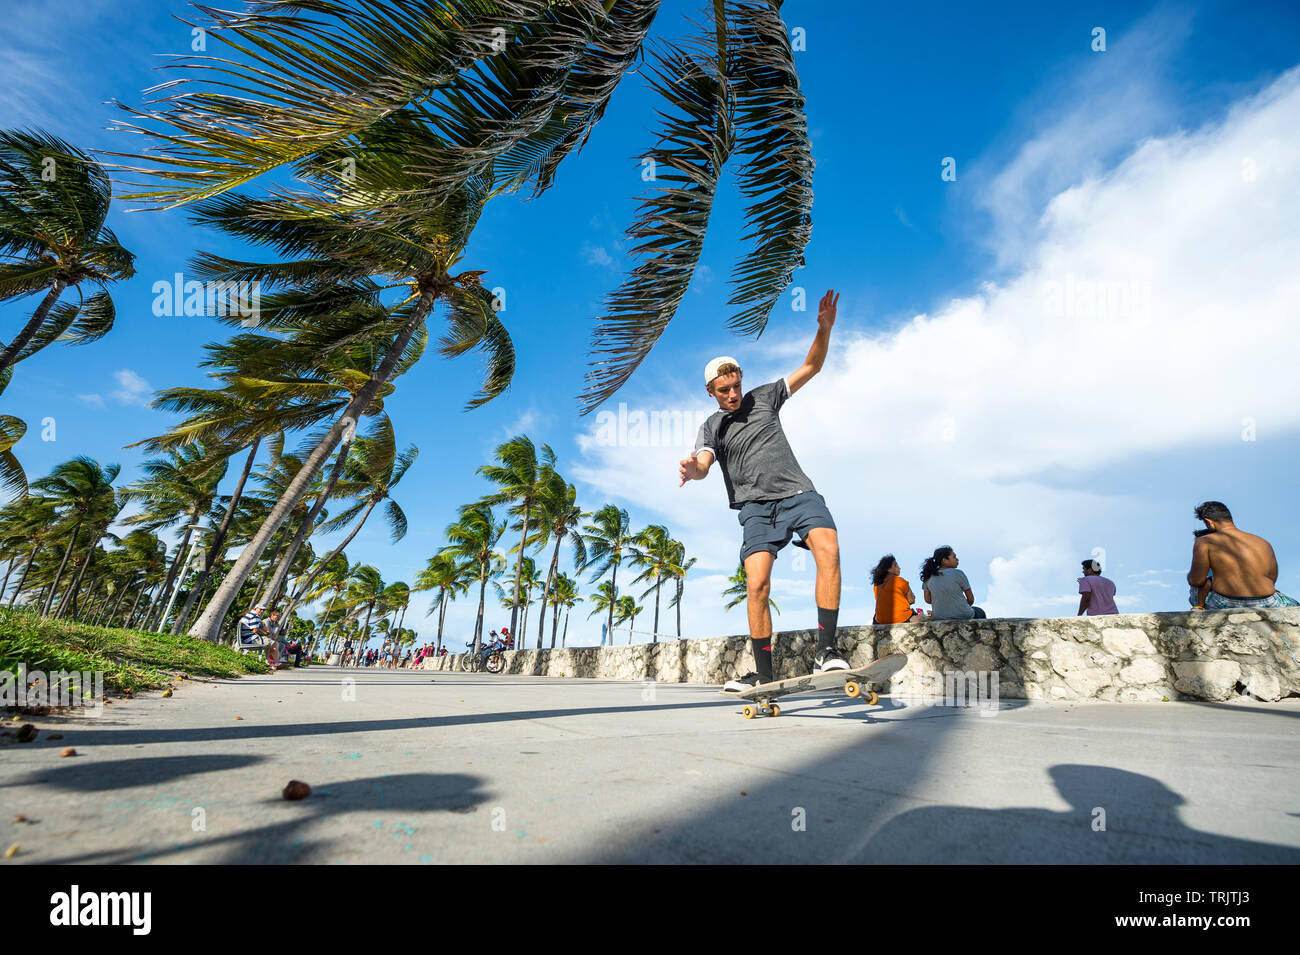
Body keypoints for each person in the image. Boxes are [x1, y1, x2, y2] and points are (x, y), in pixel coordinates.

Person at [680, 289, 849, 692]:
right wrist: (693, 468)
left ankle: (827, 651)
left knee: (828, 548)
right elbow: (704, 465)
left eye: (736, 385)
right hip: (756, 509)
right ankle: (765, 675)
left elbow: (812, 366)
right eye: (724, 390)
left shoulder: (766, 397)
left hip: (797, 494)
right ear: (711, 392)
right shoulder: (711, 427)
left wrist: (824, 328)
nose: (734, 394)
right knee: (756, 584)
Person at [1187, 501, 1298, 610]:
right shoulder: (1263, 542)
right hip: (1267, 601)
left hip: (1227, 602)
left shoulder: (1204, 541)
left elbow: (1196, 581)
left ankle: (1199, 608)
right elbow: (1272, 577)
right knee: (1294, 604)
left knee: (1195, 589)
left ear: (1209, 522)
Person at [920, 547, 986, 620]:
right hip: (963, 614)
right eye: (954, 557)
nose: (957, 559)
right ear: (944, 560)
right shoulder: (958, 573)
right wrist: (959, 609)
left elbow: (928, 600)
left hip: (940, 617)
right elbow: (970, 599)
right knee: (980, 612)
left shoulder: (928, 576)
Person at [872, 555, 924, 624]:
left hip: (880, 620)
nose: (899, 568)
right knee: (922, 617)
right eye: (896, 565)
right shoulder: (899, 581)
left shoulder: (877, 585)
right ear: (888, 569)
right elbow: (911, 600)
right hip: (901, 618)